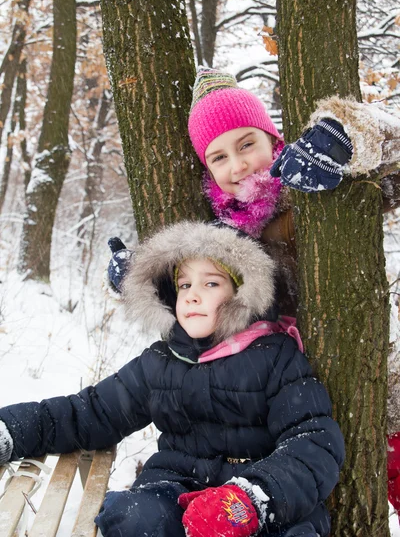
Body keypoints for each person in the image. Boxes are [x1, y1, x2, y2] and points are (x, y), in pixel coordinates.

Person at [106, 66, 400, 519]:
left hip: (368, 369)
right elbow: (205, 298)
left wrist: (345, 140)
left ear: (272, 140)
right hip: (286, 397)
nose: (238, 165)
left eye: (247, 144)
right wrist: (143, 277)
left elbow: (392, 159)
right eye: (218, 157)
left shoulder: (310, 181)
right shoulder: (222, 229)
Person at [0, 221, 344, 537]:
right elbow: (88, 413)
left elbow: (313, 443)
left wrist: (251, 500)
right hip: (176, 487)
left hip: (260, 500)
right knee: (133, 517)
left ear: (242, 293)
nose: (193, 295)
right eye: (184, 284)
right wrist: (12, 430)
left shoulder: (277, 355)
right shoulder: (161, 362)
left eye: (211, 283)